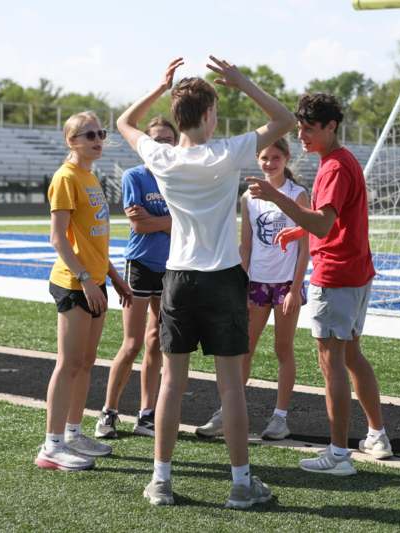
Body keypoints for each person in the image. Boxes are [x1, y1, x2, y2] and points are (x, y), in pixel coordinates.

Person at [116, 56, 295, 508]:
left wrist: (160, 86)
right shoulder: (230, 151)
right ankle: (240, 484)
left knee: (172, 382)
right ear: (210, 114)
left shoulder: (162, 155)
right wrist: (242, 80)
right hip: (223, 278)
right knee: (230, 385)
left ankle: (161, 481)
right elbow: (285, 119)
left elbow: (123, 121)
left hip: (178, 277)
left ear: (177, 117)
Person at [245, 93, 392, 477]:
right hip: (356, 272)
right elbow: (332, 223)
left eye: (310, 129)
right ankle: (377, 434)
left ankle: (339, 455)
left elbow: (324, 224)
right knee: (352, 357)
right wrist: (298, 229)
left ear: (331, 127)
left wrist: (276, 197)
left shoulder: (333, 167)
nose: (303, 136)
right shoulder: (341, 161)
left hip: (337, 275)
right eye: (301, 128)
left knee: (332, 365)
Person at [35, 111, 133, 472]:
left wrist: (114, 278)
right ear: (71, 141)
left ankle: (73, 432)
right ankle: (52, 444)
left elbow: (93, 241)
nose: (97, 140)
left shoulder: (90, 177)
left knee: (87, 362)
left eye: (101, 133)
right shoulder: (65, 177)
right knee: (69, 363)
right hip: (74, 283)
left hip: (96, 281)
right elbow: (58, 238)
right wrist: (86, 279)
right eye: (89, 134)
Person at [196, 138, 310, 441]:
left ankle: (280, 417)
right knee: (243, 348)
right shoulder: (249, 197)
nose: (269, 163)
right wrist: (238, 283)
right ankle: (227, 413)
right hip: (256, 284)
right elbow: (246, 245)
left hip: (286, 283)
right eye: (263, 157)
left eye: (275, 157)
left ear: (286, 158)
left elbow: (304, 247)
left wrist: (295, 288)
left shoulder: (297, 194)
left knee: (282, 349)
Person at [95, 116, 177, 440]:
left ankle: (146, 414)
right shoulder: (134, 176)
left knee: (156, 340)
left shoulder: (180, 178)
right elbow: (139, 226)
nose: (162, 144)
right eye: (156, 139)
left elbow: (179, 224)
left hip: (172, 265)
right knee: (131, 344)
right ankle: (109, 411)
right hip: (141, 263)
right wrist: (169, 221)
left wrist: (160, 220)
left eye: (168, 139)